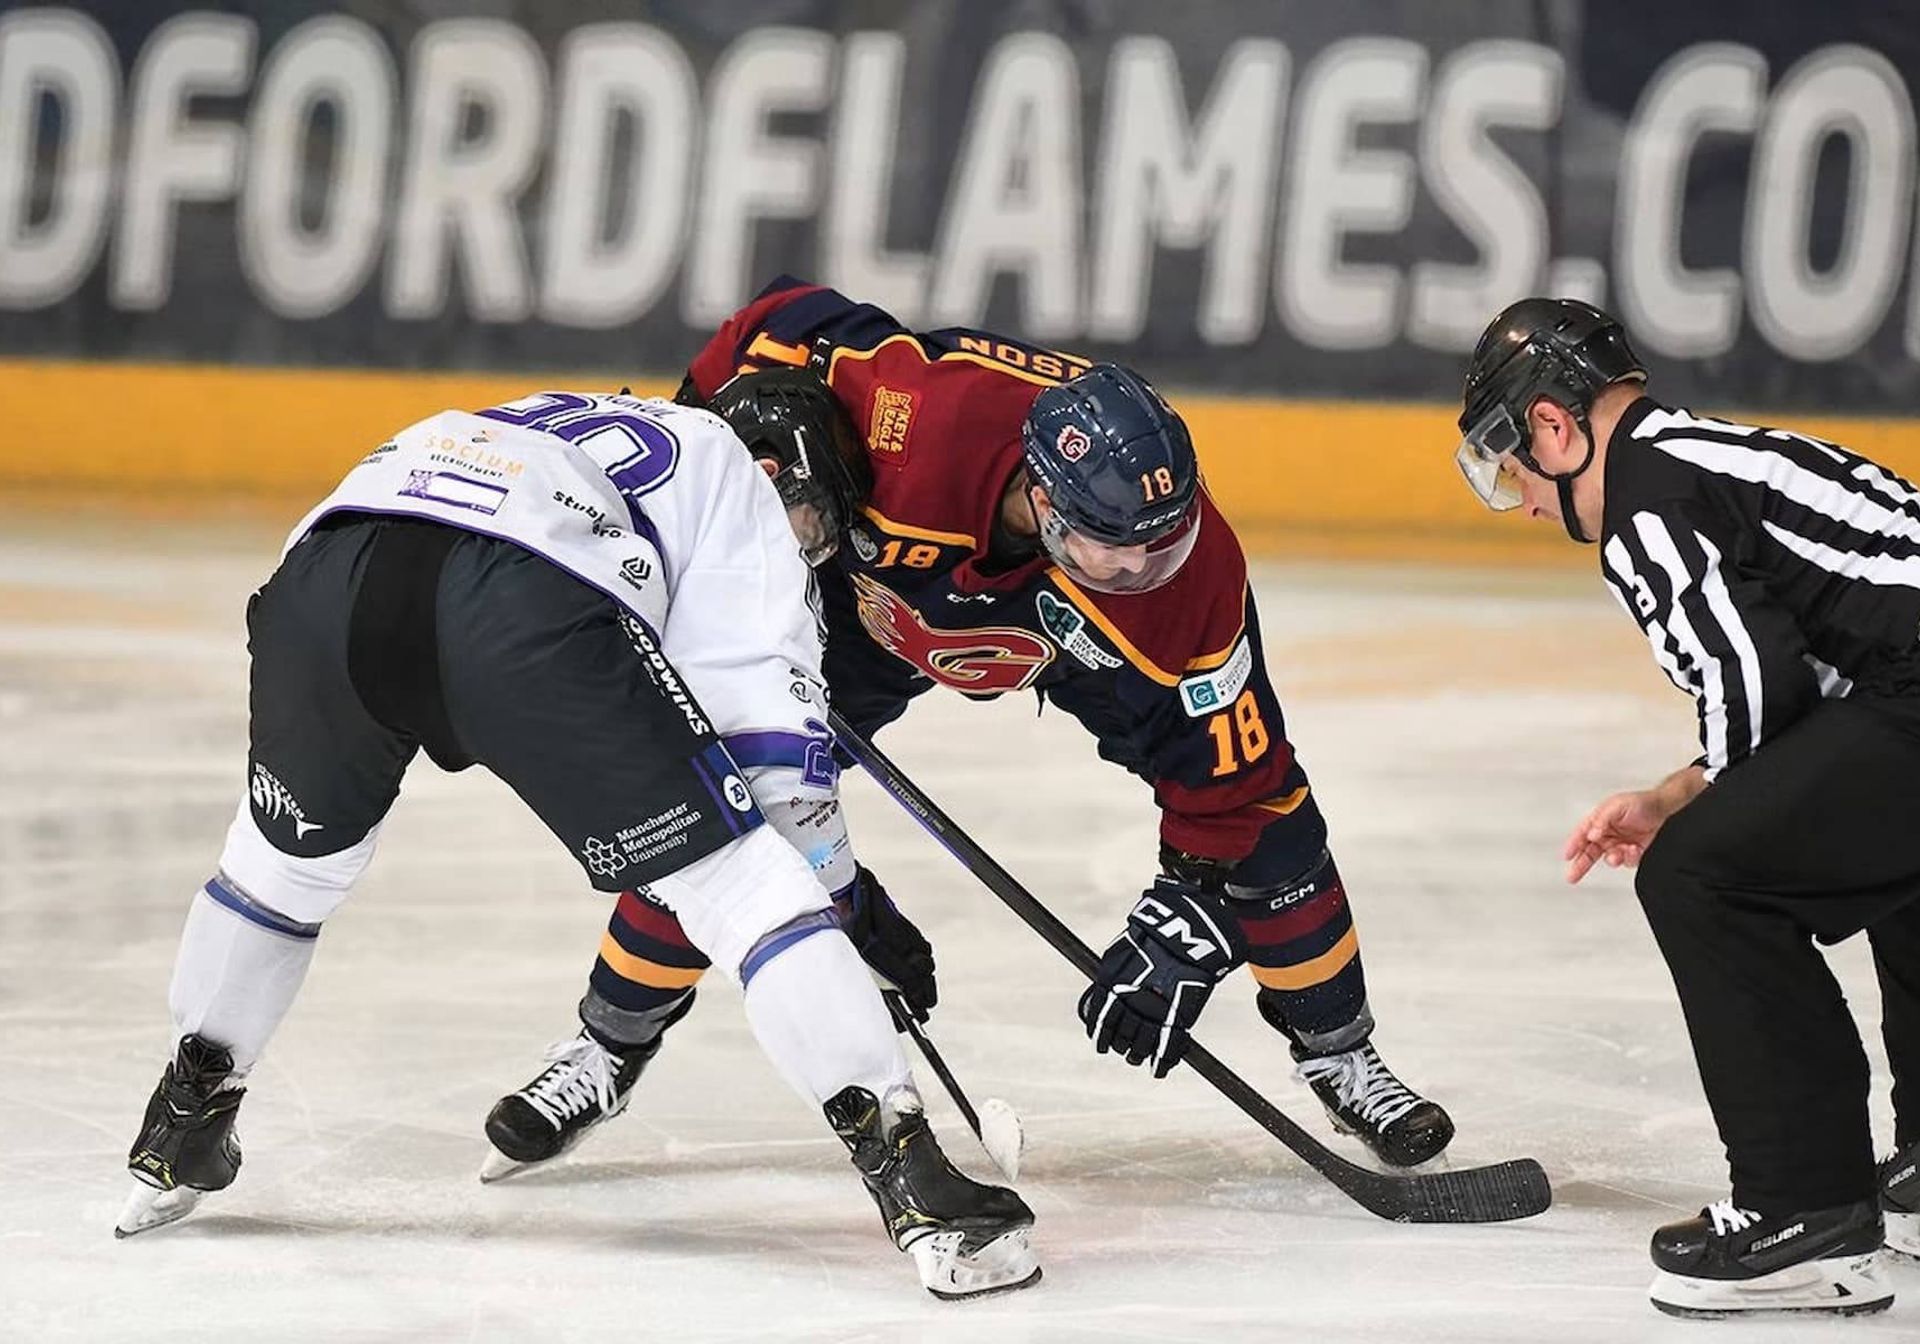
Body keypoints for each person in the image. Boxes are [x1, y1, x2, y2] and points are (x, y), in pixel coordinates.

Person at [487, 277, 1455, 1177]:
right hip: (874, 611)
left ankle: (1343, 1057)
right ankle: (606, 1045)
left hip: (1065, 643)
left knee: (1274, 823)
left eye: (1159, 549)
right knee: (736, 807)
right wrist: (697, 437)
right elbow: (778, 318)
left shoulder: (1179, 578)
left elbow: (1236, 775)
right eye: (1111, 552)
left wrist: (1193, 906)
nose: (1141, 572)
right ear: (1042, 495)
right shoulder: (912, 418)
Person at [117, 378, 1041, 1302]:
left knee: (278, 874)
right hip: (516, 612)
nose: (805, 544)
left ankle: (184, 1121)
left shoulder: (540, 412)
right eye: (812, 520)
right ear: (783, 473)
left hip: (324, 585)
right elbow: (776, 778)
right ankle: (917, 1183)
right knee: (747, 887)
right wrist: (841, 902)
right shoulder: (738, 477)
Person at [1454, 296, 1920, 1318]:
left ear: (1553, 425)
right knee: (1884, 837)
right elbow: (1822, 687)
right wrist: (1679, 790)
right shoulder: (1709, 455)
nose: (1526, 503)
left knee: (1704, 875)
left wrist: (1680, 813)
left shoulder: (1647, 498)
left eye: (1514, 467)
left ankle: (1807, 1211)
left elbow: (1761, 696)